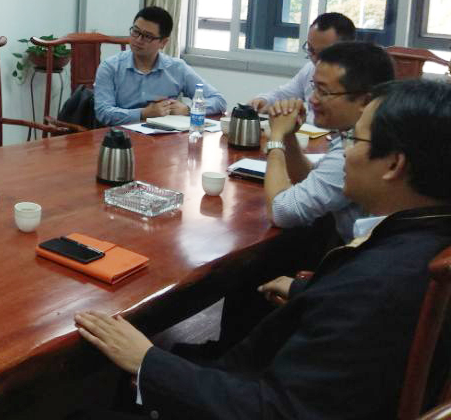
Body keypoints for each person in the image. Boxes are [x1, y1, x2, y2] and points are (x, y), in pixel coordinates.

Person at [75, 78, 451, 419]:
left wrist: (147, 361)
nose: (344, 151)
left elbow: (279, 410)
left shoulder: (376, 285)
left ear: (394, 164)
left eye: (353, 139)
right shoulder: (425, 241)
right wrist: (308, 290)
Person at [265, 41, 394, 243]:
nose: (312, 99)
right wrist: (289, 136)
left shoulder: (361, 147)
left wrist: (276, 137)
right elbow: (313, 179)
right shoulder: (357, 132)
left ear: (365, 101)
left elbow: (281, 213)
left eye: (323, 92)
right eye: (314, 87)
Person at [94, 6, 226, 126]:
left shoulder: (177, 68)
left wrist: (188, 109)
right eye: (135, 32)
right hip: (121, 137)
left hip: (164, 137)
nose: (138, 40)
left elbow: (218, 100)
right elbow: (103, 112)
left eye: (147, 36)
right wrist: (143, 113)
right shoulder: (110, 67)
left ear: (163, 42)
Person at [249, 12, 356, 121]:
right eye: (310, 49)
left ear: (346, 49)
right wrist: (264, 100)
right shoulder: (310, 69)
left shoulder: (358, 79)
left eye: (323, 53)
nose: (315, 59)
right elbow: (282, 95)